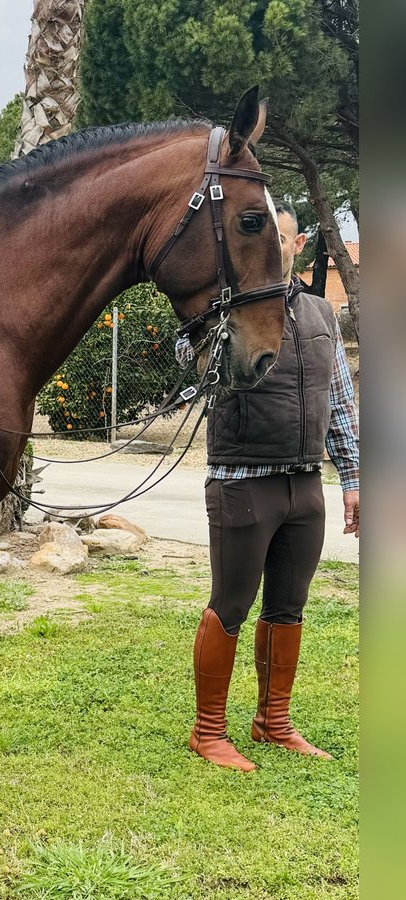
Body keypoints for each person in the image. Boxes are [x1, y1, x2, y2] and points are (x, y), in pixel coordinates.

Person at [189, 201, 359, 771]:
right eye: (261, 240)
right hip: (242, 479)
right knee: (230, 605)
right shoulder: (225, 311)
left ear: (298, 243)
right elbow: (202, 374)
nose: (273, 249)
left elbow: (339, 402)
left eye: (281, 239)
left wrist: (354, 478)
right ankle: (209, 731)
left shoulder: (321, 315)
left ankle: (273, 721)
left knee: (289, 607)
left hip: (304, 483)